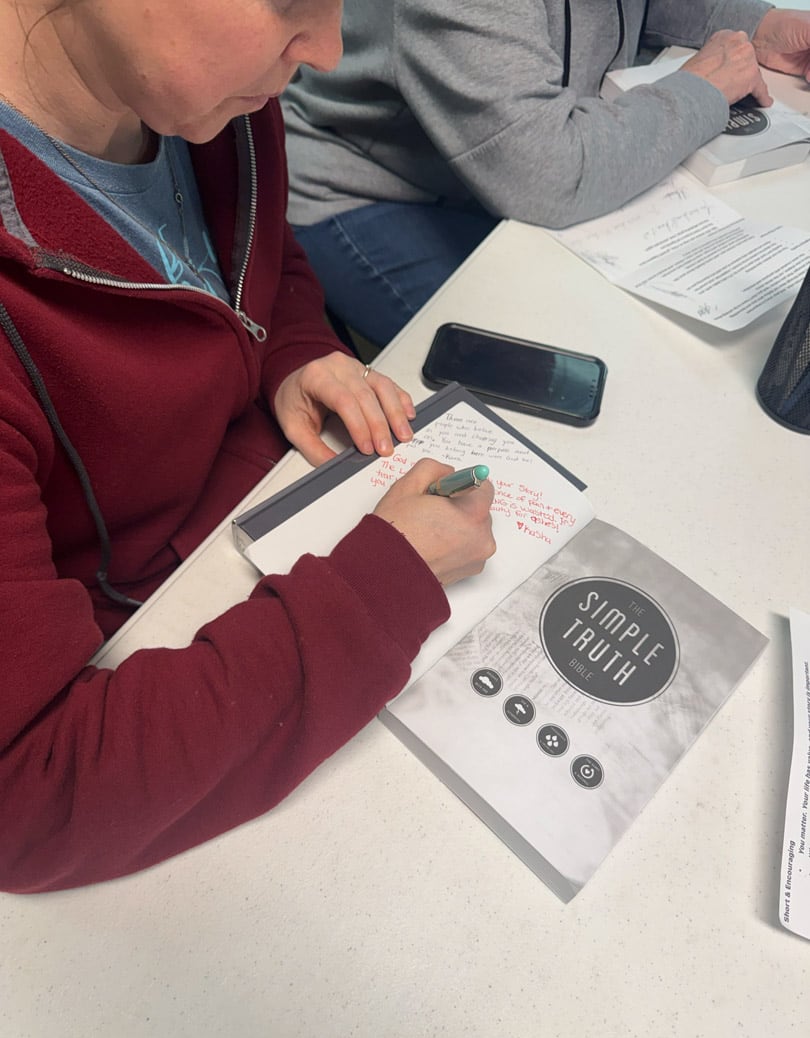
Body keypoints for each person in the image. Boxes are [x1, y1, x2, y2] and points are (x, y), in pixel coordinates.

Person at [0, 0, 497, 893]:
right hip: (142, 661)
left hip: (246, 544)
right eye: (291, 4)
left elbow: (262, 263)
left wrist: (295, 350)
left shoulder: (201, 99)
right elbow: (26, 797)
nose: (329, 51)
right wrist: (387, 582)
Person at [282, 0, 810, 346]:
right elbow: (550, 178)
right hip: (363, 191)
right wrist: (704, 91)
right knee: (568, 370)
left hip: (498, 170)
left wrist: (756, 24)